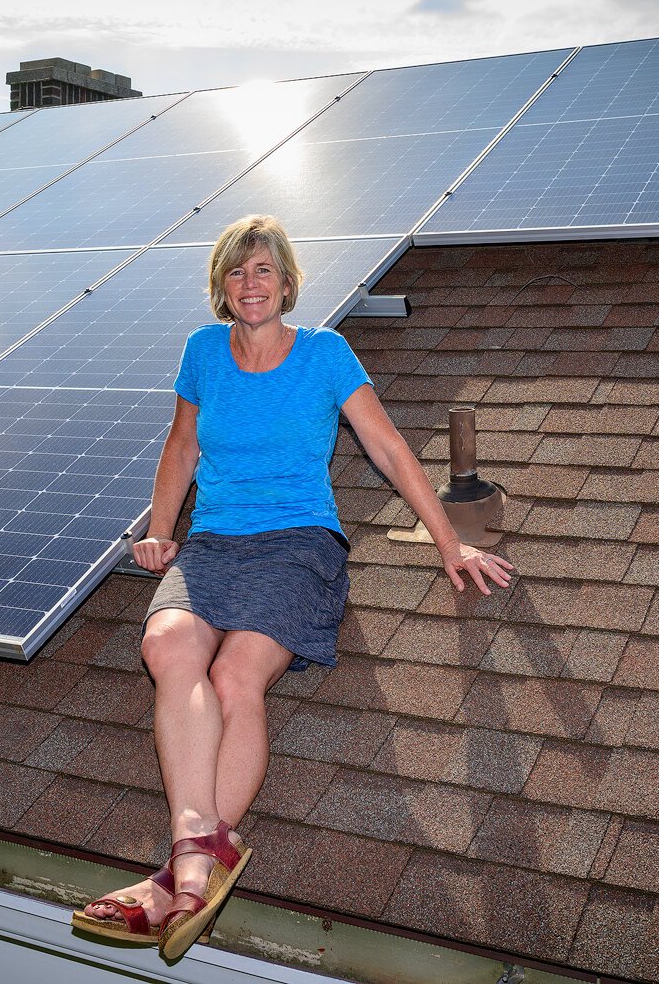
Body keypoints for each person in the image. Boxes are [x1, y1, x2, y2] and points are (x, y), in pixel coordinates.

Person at [72, 215, 514, 959]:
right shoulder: (202, 353)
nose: (252, 284)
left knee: (236, 675)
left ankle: (178, 870)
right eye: (238, 271)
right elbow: (181, 444)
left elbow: (387, 445)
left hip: (298, 544)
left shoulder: (325, 353)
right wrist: (159, 526)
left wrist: (449, 540)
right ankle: (201, 848)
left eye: (265, 270)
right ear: (222, 285)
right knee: (168, 643)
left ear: (287, 282)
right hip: (212, 541)